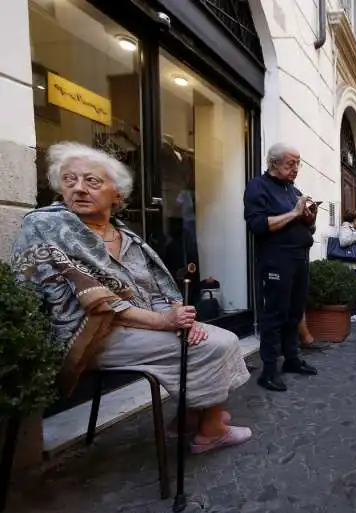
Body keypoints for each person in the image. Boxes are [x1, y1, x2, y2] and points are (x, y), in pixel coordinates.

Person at [13, 142, 251, 454]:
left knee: (213, 336)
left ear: (117, 195)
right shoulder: (47, 226)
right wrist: (165, 322)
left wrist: (180, 317)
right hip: (92, 335)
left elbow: (160, 287)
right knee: (216, 344)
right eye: (69, 180)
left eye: (92, 181)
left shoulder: (129, 237)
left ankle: (188, 417)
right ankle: (211, 429)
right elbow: (98, 301)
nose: (79, 189)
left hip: (142, 327)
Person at [244, 142, 318, 393]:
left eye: (298, 163)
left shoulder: (292, 190)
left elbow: (303, 225)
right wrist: (295, 214)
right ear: (274, 163)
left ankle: (292, 360)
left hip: (299, 258)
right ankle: (269, 371)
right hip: (276, 259)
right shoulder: (258, 186)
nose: (296, 168)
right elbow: (258, 225)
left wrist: (310, 219)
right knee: (275, 315)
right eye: (291, 163)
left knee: (294, 312)